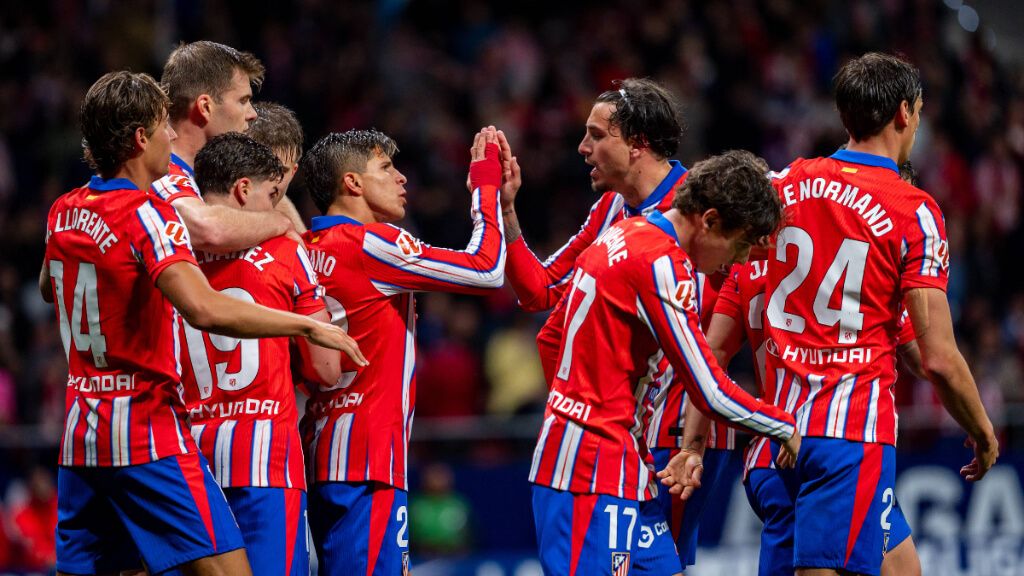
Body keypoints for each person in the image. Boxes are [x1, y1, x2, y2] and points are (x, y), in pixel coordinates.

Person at [40, 70, 362, 576]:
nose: (172, 136)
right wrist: (304, 327)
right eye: (161, 128)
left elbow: (48, 286)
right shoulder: (150, 213)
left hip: (82, 429)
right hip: (147, 427)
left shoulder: (64, 211)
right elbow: (204, 308)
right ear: (140, 138)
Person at [760, 52, 997, 576]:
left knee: (902, 569)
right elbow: (939, 357)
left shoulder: (785, 185)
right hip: (846, 436)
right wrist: (982, 431)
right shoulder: (912, 209)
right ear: (905, 114)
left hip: (777, 432)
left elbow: (907, 343)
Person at [529, 150, 800, 576]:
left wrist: (577, 406)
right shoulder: (660, 262)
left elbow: (550, 337)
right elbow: (708, 389)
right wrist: (784, 427)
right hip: (589, 473)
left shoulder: (623, 233)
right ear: (709, 221)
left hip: (625, 461)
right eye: (741, 242)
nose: (743, 260)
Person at [499, 77, 729, 570]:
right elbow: (539, 291)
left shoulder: (704, 215)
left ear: (638, 144)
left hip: (676, 444)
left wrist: (697, 442)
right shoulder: (610, 210)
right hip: (612, 441)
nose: (583, 148)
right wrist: (507, 211)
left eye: (597, 135)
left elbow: (729, 327)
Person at [298, 127, 506, 575]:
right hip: (368, 455)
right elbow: (487, 269)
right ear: (352, 183)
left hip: (321, 444)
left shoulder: (303, 250)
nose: (402, 179)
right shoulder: (373, 242)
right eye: (386, 168)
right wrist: (486, 187)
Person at [177, 132, 339, 576]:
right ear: (244, 190)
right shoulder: (286, 250)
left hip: (185, 457)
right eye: (273, 195)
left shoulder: (170, 252)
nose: (276, 209)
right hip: (265, 457)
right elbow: (327, 368)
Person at [152, 40, 298, 251]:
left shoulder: (212, 171)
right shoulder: (158, 172)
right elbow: (207, 230)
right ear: (205, 107)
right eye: (242, 101)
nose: (252, 114)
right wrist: (279, 222)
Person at [247, 101, 307, 232]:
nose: (268, 182)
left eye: (280, 171)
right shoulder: (199, 198)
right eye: (261, 167)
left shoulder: (296, 244)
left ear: (293, 173)